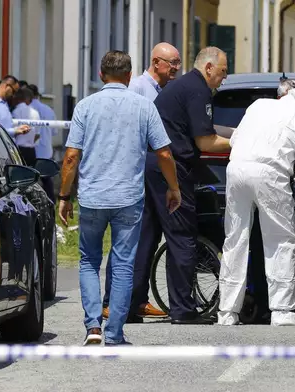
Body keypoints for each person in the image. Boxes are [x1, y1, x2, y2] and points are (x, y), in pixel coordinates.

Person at [58, 50, 180, 345]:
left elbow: (72, 156)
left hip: (92, 196)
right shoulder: (143, 106)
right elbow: (163, 152)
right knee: (124, 263)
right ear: (129, 75)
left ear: (101, 75)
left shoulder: (85, 107)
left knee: (88, 260)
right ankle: (114, 332)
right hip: (128, 196)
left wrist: (64, 196)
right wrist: (173, 187)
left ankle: (92, 327)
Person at [131, 47, 232, 325]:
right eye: (223, 72)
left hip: (153, 166)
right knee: (182, 237)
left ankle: (131, 303)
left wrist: (235, 131)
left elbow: (205, 129)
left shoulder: (186, 86)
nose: (224, 78)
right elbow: (205, 142)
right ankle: (183, 310)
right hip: (170, 168)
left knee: (147, 238)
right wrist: (242, 141)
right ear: (209, 67)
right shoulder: (198, 90)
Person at [217, 83, 295, 327]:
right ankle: (281, 309)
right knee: (281, 240)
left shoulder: (259, 105)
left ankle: (227, 311)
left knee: (235, 240)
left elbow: (236, 138)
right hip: (270, 173)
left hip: (236, 168)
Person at [102, 42, 182, 321]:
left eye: (178, 63)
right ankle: (111, 300)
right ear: (156, 62)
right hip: (134, 170)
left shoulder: (164, 91)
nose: (176, 68)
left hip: (152, 170)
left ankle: (138, 299)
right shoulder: (136, 88)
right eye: (172, 63)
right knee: (126, 237)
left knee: (147, 237)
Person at [28, 83, 58, 202]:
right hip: (46, 150)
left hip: (31, 149)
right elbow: (55, 131)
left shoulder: (27, 109)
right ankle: (51, 202)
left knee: (29, 180)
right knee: (47, 180)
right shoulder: (48, 109)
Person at [11, 87, 41, 167]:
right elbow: (38, 134)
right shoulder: (35, 113)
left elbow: (12, 132)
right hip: (31, 151)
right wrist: (29, 141)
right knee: (31, 177)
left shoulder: (15, 112)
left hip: (18, 150)